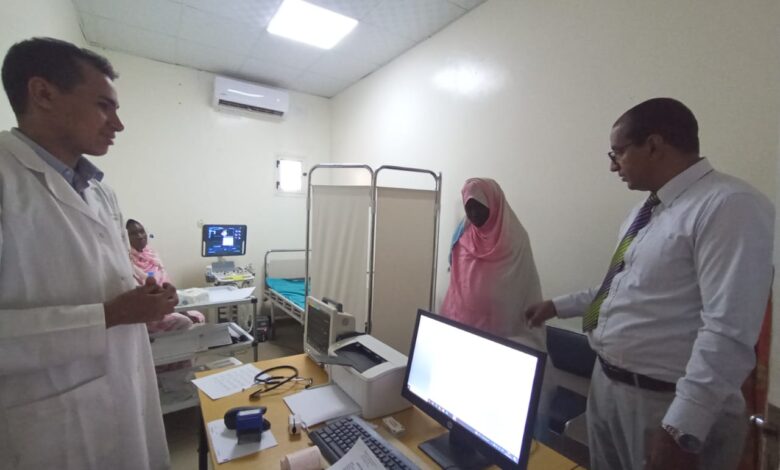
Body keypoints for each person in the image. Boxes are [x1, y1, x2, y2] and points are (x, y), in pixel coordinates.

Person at [524, 98, 773, 470]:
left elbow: (728, 330)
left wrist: (682, 427)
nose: (613, 166)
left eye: (618, 153)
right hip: (609, 386)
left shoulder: (728, 205)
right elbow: (620, 292)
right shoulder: (644, 213)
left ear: (654, 145)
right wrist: (557, 306)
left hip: (665, 402)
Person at [0, 38, 175, 469]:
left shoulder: (100, 190)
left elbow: (106, 276)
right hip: (46, 420)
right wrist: (111, 315)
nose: (118, 124)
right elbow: (108, 307)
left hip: (124, 386)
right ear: (43, 93)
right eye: (103, 106)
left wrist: (146, 299)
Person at [441, 177, 545, 350]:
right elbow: (457, 281)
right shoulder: (463, 235)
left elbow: (521, 289)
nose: (473, 214)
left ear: (493, 204)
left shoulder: (515, 240)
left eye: (478, 207)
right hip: (462, 324)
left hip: (503, 331)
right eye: (468, 208)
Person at [126, 218, 205, 333]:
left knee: (199, 316)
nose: (140, 236)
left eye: (142, 231)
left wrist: (183, 310)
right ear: (125, 238)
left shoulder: (152, 256)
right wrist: (184, 314)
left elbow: (165, 286)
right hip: (147, 315)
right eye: (133, 233)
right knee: (185, 321)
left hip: (165, 304)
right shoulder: (127, 261)